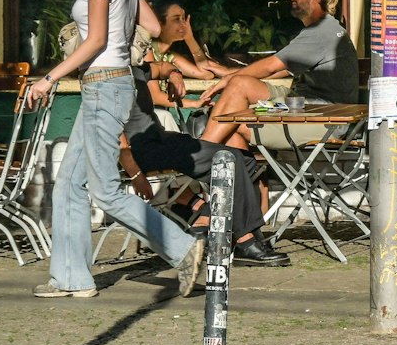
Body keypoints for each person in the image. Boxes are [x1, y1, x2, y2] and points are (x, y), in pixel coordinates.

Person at [22, 0, 205, 299]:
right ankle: (71, 278)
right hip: (108, 85)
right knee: (68, 183)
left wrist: (49, 78)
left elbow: (96, 41)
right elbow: (153, 25)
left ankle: (183, 247)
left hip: (105, 84)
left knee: (105, 190)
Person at [118, 67, 289, 267]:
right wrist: (136, 174)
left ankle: (210, 217)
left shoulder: (132, 66)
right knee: (228, 160)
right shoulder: (111, 74)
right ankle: (245, 241)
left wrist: (174, 74)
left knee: (246, 159)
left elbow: (161, 67)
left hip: (161, 140)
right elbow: (116, 137)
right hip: (140, 150)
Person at [196, 0, 356, 147]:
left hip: (324, 118)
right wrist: (231, 73)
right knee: (239, 89)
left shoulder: (322, 32)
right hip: (301, 104)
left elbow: (271, 66)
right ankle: (223, 160)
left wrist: (227, 79)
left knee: (230, 122)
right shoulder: (324, 29)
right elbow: (281, 70)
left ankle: (202, 152)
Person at [140, 0, 229, 107]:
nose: (184, 24)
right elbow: (155, 97)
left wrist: (189, 38)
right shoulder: (146, 50)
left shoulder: (169, 56)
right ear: (160, 24)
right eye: (177, 19)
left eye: (184, 19)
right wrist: (195, 104)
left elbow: (206, 73)